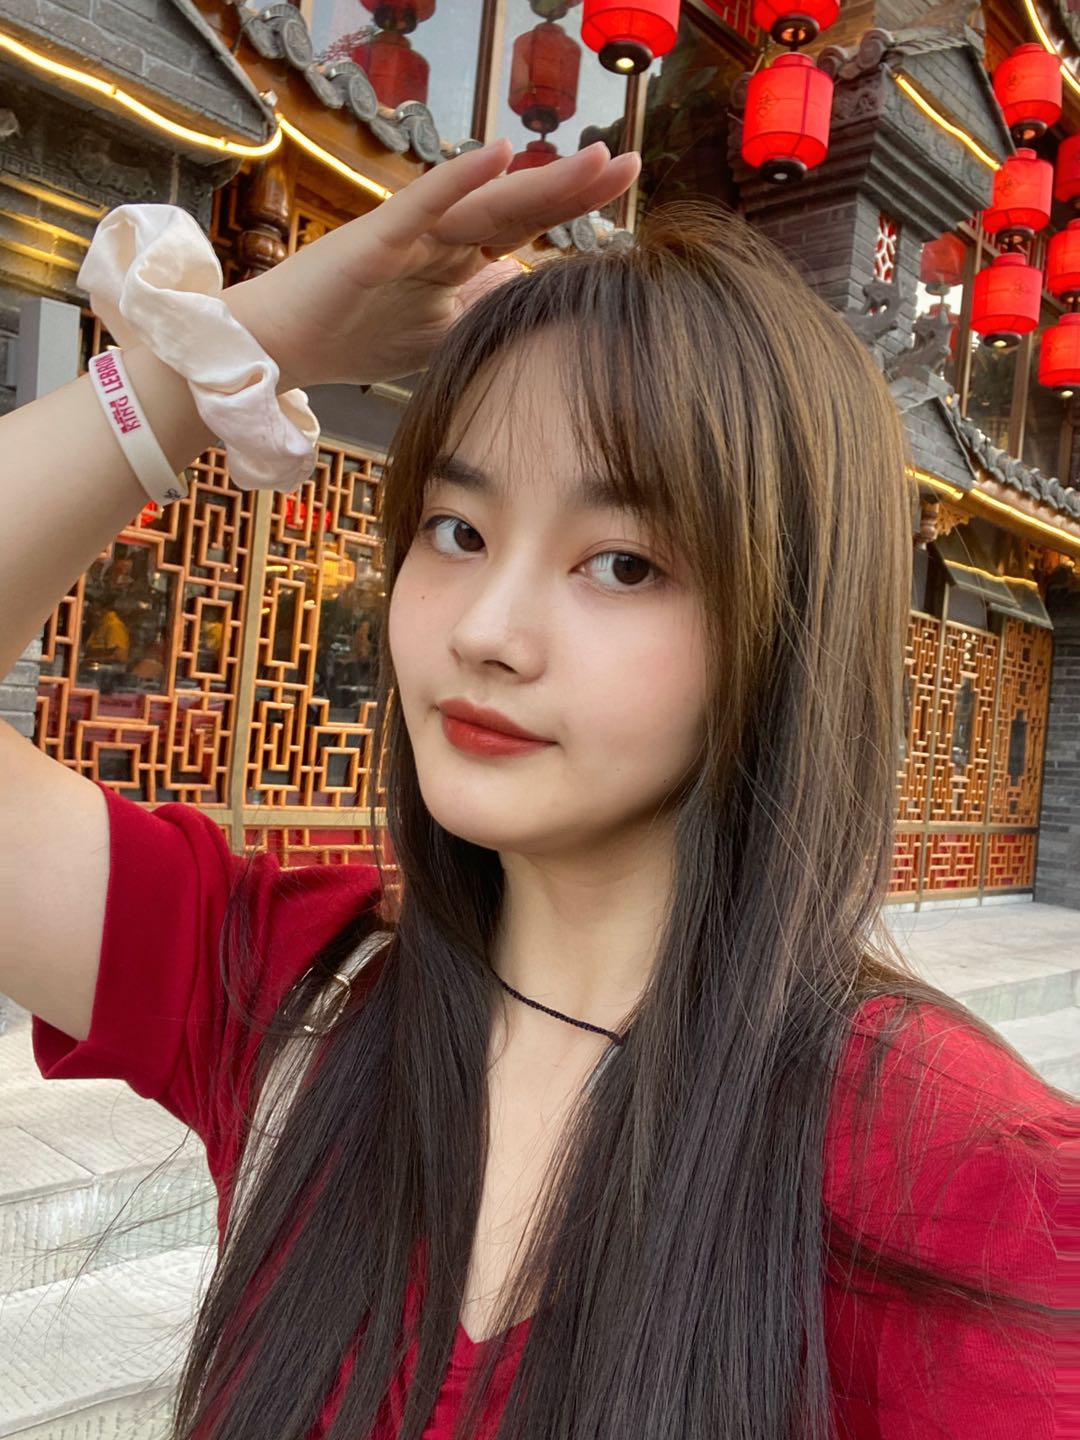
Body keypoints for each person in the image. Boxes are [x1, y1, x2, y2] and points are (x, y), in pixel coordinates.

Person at [0, 138, 1074, 1440]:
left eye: (623, 563)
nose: (487, 631)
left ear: (787, 627)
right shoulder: (295, 994)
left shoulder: (958, 1186)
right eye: (458, 531)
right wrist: (230, 350)